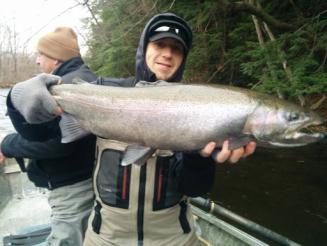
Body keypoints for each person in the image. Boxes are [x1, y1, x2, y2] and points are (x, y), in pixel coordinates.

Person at [4, 14, 256, 246]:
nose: (167, 54)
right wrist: (15, 101)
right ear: (144, 49)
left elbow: (194, 189)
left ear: (183, 58)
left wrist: (198, 157)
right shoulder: (105, 89)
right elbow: (40, 136)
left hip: (173, 240)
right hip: (105, 238)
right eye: (159, 45)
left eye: (176, 48)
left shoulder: (201, 111)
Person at [0, 27, 97, 246]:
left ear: (56, 58)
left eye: (40, 54)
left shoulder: (61, 89)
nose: (36, 61)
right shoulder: (85, 80)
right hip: (88, 181)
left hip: (72, 189)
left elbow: (56, 143)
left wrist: (6, 144)